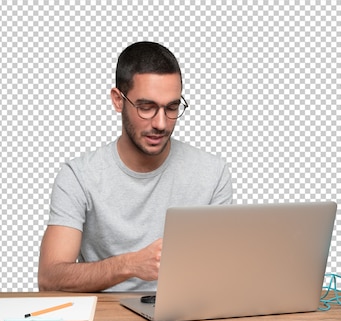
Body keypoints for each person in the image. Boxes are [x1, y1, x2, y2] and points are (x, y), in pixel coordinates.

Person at [37, 42, 233, 292]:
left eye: (172, 108)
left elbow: (222, 272)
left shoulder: (213, 173)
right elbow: (49, 278)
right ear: (118, 101)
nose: (161, 123)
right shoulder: (78, 176)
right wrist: (130, 265)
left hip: (184, 317)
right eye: (146, 107)